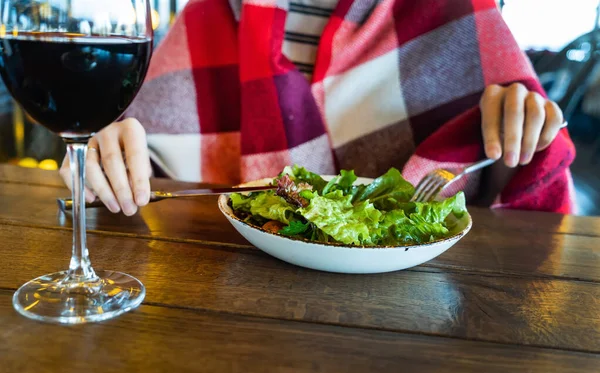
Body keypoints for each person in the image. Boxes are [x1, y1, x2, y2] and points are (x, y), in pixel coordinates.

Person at [60, 0, 575, 216]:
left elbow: (534, 180)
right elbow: (136, 159)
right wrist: (105, 158)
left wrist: (521, 126)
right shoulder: (210, 11)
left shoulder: (456, 9)